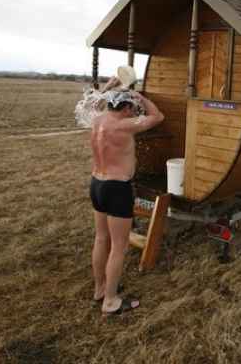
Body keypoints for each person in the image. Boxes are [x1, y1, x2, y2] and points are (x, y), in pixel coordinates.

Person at [89, 76, 164, 315]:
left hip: (97, 184)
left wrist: (110, 87)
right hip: (117, 188)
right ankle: (111, 301)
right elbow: (158, 116)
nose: (134, 111)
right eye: (132, 107)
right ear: (127, 107)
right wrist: (140, 96)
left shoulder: (97, 119)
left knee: (101, 239)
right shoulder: (125, 125)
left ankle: (100, 289)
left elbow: (95, 101)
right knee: (119, 247)